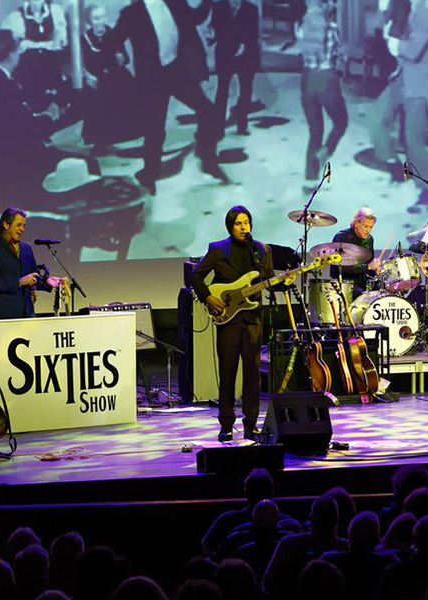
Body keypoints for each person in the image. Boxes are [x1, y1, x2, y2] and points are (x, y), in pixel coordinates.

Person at [105, 0, 227, 195]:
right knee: (155, 128)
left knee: (208, 110)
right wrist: (111, 57)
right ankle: (149, 174)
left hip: (175, 71)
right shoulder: (132, 13)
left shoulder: (175, 3)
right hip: (152, 78)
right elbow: (111, 42)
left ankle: (207, 159)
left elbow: (195, 17)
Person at [191, 205, 274, 441]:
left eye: (246, 222)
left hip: (253, 318)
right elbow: (196, 275)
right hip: (228, 318)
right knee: (228, 371)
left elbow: (268, 279)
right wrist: (208, 297)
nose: (243, 226)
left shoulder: (261, 250)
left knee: (252, 374)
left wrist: (284, 281)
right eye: (238, 223)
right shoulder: (218, 249)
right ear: (230, 226)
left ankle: (251, 424)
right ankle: (226, 424)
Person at [368, 0, 428, 213]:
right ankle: (394, 166)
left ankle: (427, 190)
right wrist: (385, 14)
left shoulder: (427, 12)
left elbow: (412, 50)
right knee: (375, 118)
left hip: (419, 82)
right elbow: (390, 32)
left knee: (414, 140)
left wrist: (392, 41)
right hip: (401, 77)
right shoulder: (404, 6)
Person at [0, 29, 62, 204]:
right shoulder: (6, 86)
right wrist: (49, 117)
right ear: (11, 55)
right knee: (84, 165)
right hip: (13, 162)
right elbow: (27, 132)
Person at [295, 0, 348, 187]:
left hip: (307, 79)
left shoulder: (300, 25)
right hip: (326, 80)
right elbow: (339, 54)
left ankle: (310, 179)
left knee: (315, 130)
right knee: (341, 122)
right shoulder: (332, 28)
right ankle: (327, 150)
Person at [80, 4, 142, 150]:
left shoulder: (113, 33)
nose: (100, 21)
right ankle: (101, 138)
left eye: (102, 17)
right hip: (98, 77)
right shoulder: (85, 38)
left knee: (128, 88)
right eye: (96, 18)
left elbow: (126, 58)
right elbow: (86, 63)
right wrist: (90, 75)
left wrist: (121, 58)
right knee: (98, 96)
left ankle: (128, 133)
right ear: (89, 20)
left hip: (116, 74)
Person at [0, 208, 65, 320]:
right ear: (6, 225)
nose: (22, 229)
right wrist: (20, 282)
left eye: (24, 225)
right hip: (3, 315)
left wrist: (46, 282)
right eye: (18, 225)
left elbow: (32, 277)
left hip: (27, 313)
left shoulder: (26, 248)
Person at [2, 0, 68, 110]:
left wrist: (34, 44)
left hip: (51, 64)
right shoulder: (16, 17)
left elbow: (60, 42)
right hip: (27, 68)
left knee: (57, 100)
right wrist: (45, 44)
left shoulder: (55, 11)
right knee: (33, 101)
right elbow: (17, 46)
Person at [209, 0, 261, 137]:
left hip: (245, 55)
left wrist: (243, 45)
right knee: (222, 90)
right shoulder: (219, 7)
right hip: (225, 53)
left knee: (245, 90)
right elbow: (215, 28)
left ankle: (242, 126)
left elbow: (254, 33)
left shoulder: (251, 9)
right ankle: (218, 127)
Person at [329, 207, 381, 297]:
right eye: (365, 226)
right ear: (356, 223)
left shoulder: (369, 239)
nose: (368, 230)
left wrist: (376, 270)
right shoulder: (342, 238)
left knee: (382, 292)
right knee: (364, 296)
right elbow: (339, 268)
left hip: (363, 282)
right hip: (346, 284)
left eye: (370, 227)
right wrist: (368, 267)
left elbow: (369, 266)